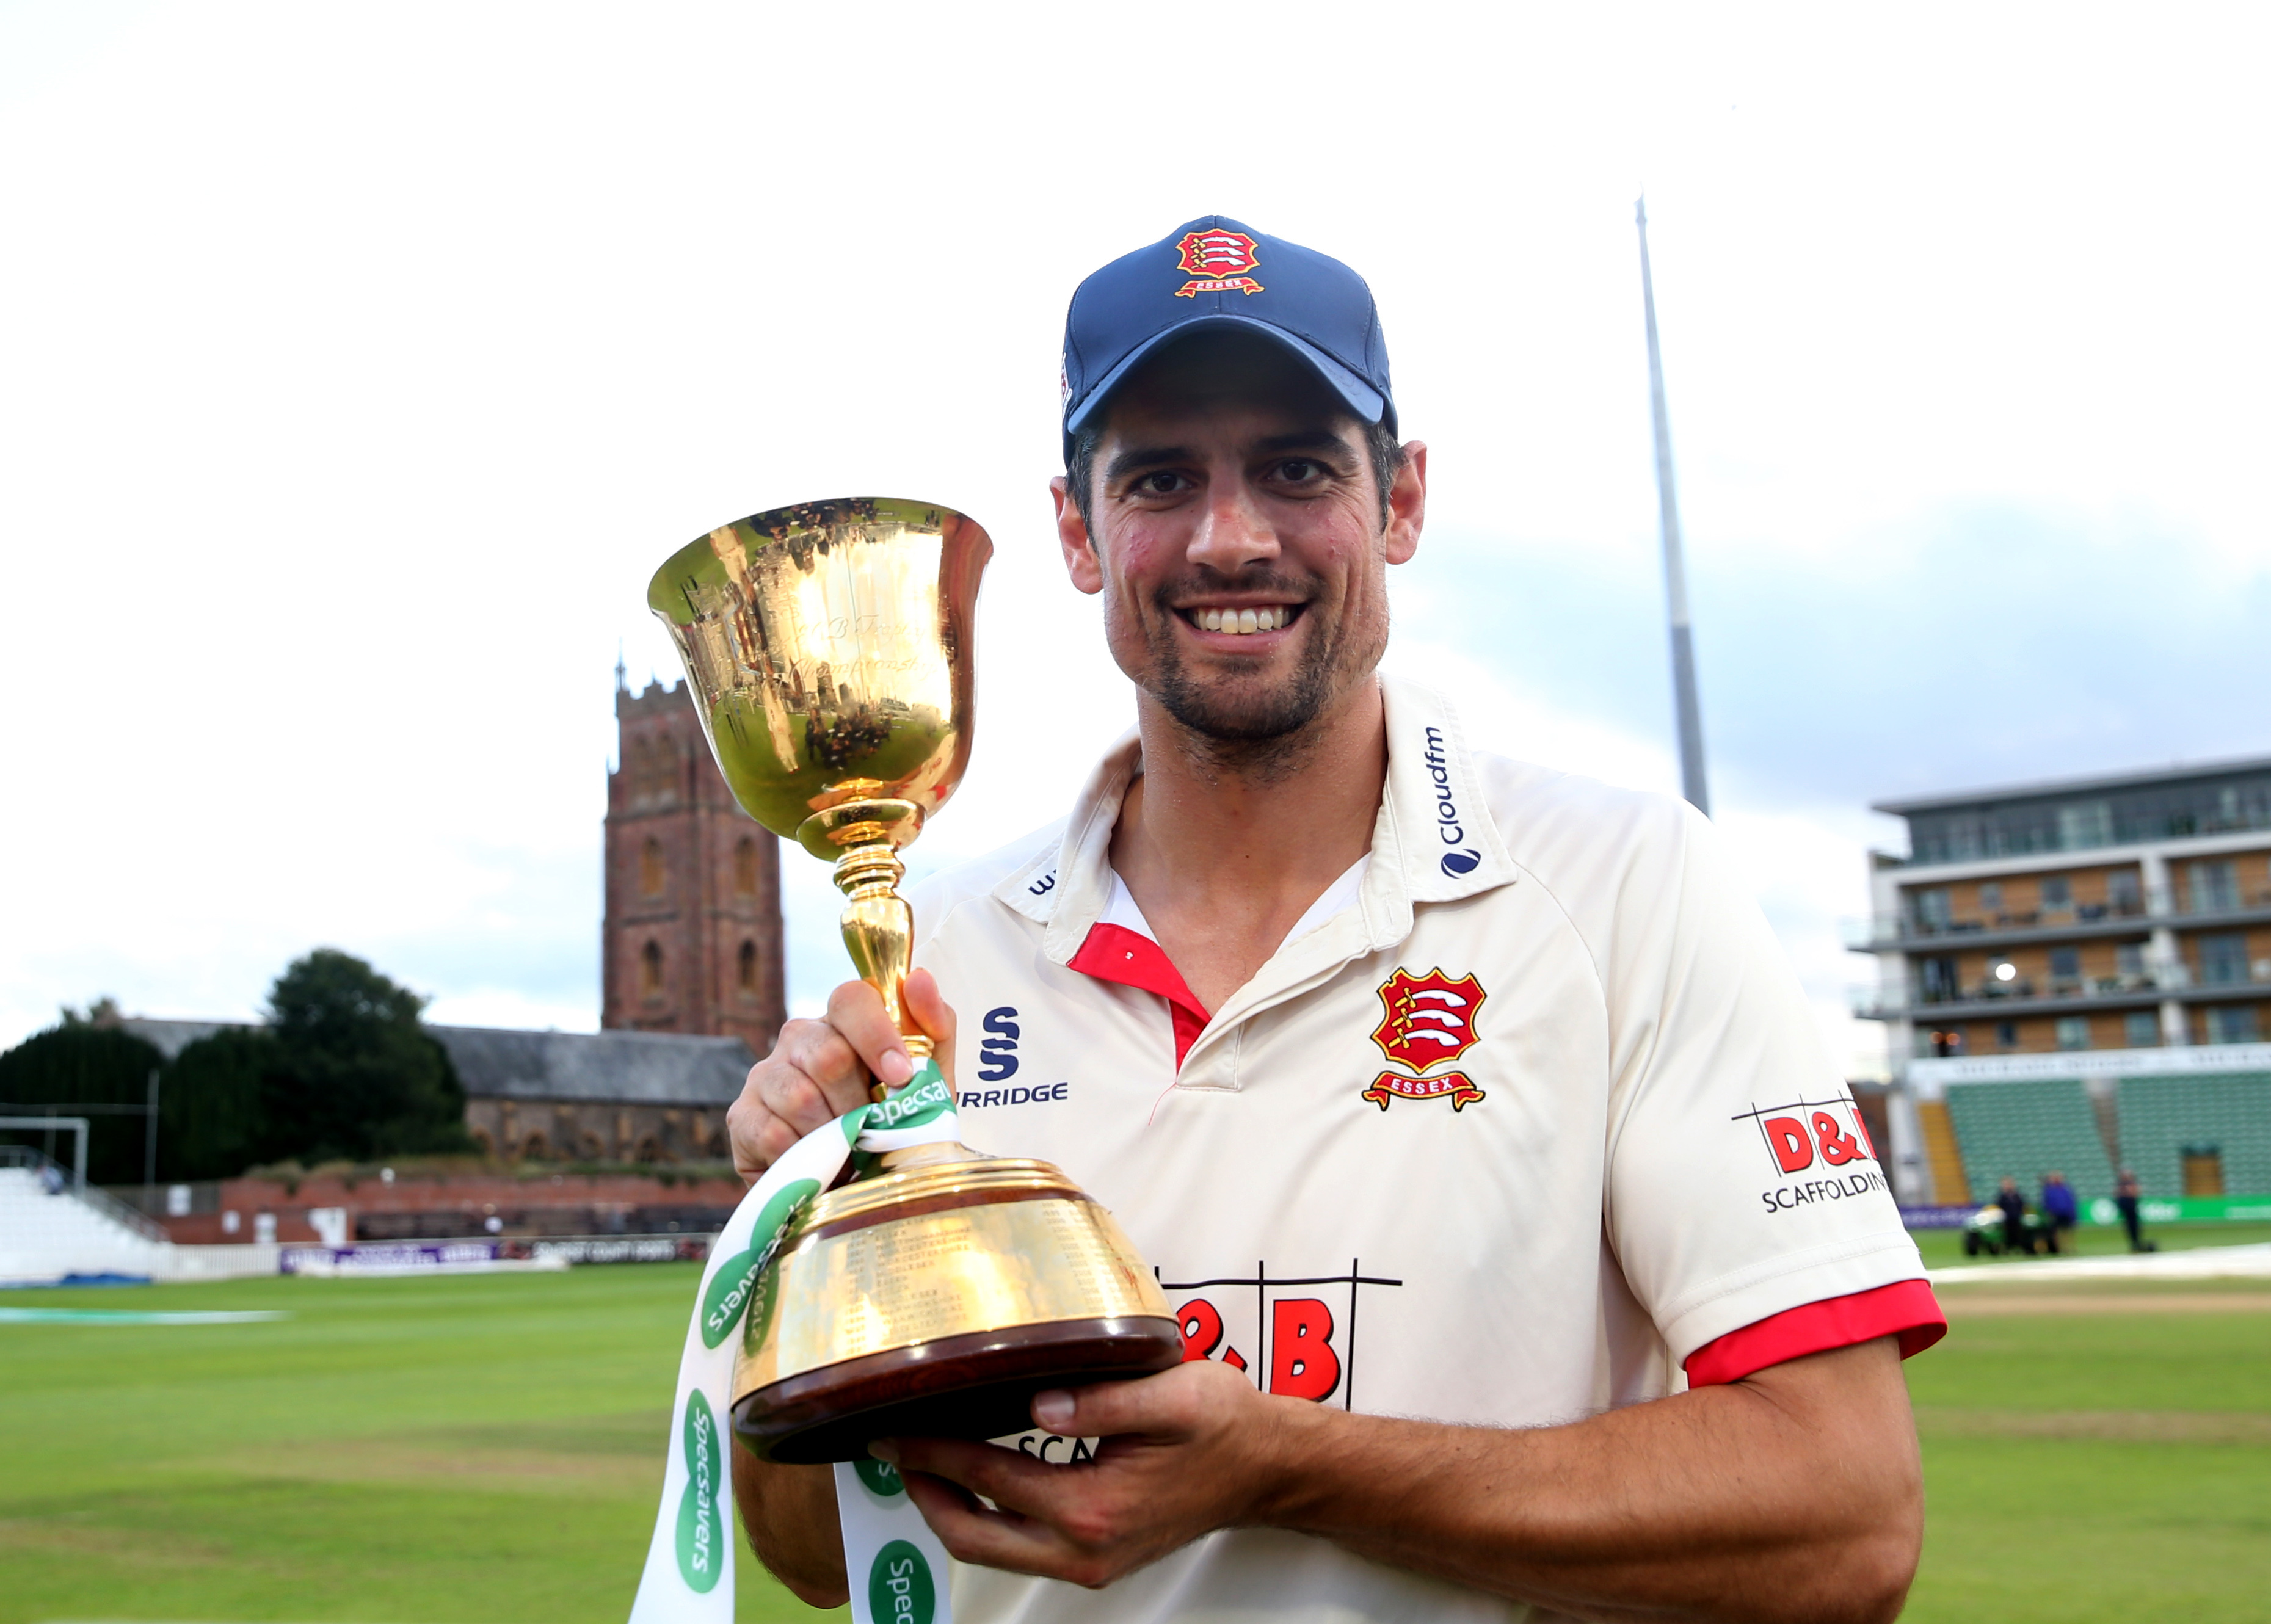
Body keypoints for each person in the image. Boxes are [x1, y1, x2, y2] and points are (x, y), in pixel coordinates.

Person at [725, 216, 1946, 1624]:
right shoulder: (935, 939)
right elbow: (818, 1556)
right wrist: (789, 1231)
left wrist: (1286, 1468)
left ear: (1403, 502)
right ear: (1077, 529)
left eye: (1298, 469)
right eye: (1161, 479)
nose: (1230, 538)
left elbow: (1845, 1522)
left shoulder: (1627, 885)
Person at [2039, 1170, 2079, 1255]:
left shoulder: (2066, 1188)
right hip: (2055, 1214)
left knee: (2068, 1231)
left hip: (2066, 1213)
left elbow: (2071, 1201)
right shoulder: (2049, 1190)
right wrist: (2048, 1211)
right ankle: (2059, 1248)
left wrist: (2071, 1211)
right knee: (2056, 1232)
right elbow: (2045, 1202)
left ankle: (2069, 1247)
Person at [1996, 1175, 2032, 1256]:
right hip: (2007, 1219)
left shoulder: (2017, 1195)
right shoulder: (2002, 1196)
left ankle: (2024, 1249)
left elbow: (2022, 1205)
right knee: (2008, 1235)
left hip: (2017, 1217)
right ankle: (2007, 1250)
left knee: (2020, 1234)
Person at [2115, 1166, 2148, 1252]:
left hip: (2131, 1208)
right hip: (2127, 1209)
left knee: (2135, 1226)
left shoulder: (2131, 1184)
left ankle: (2137, 1244)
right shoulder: (2122, 1185)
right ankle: (2134, 1244)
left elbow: (2135, 1194)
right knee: (2129, 1227)